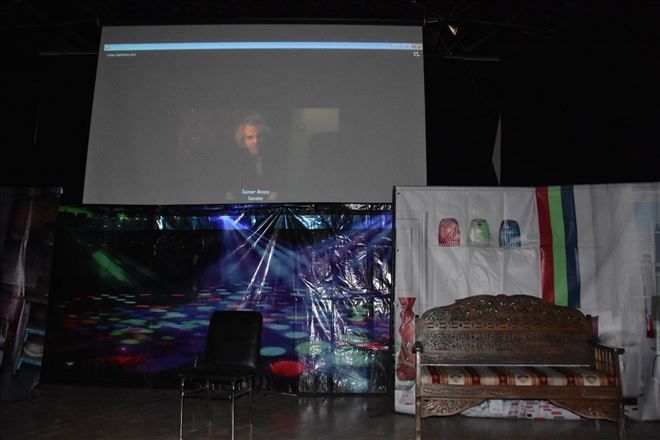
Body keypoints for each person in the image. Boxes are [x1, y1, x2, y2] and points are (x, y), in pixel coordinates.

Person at [229, 114, 280, 201]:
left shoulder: (275, 159)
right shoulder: (234, 163)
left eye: (259, 136)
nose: (256, 141)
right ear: (243, 141)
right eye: (250, 137)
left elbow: (277, 188)